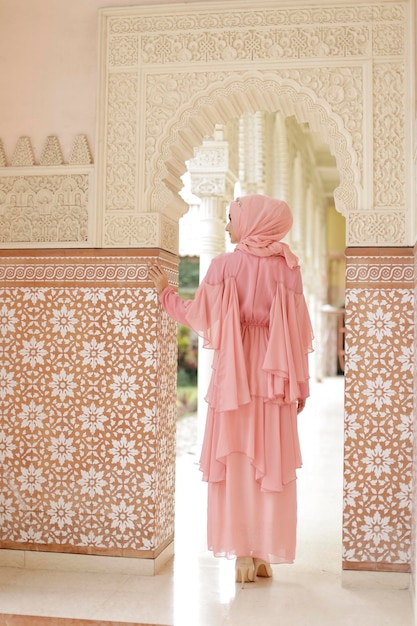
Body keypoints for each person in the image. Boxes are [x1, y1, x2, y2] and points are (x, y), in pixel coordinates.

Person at [149, 194, 313, 586]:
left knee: (238, 459)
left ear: (252, 223)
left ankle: (241, 554)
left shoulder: (225, 265)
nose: (226, 227)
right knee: (268, 462)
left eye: (231, 219)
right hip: (274, 379)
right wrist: (300, 386)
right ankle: (261, 555)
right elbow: (299, 334)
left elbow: (199, 315)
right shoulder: (289, 270)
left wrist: (165, 294)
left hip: (235, 377)